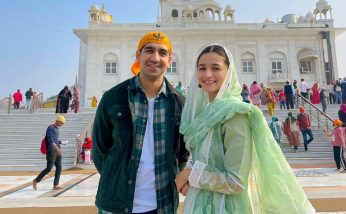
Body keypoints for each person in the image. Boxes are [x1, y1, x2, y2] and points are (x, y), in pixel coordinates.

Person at [175, 44, 314, 214]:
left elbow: (236, 181)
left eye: (216, 68)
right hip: (199, 203)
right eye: (202, 68)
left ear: (229, 73)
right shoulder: (204, 113)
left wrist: (190, 174)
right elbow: (204, 157)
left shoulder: (234, 115)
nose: (207, 75)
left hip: (224, 207)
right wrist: (191, 180)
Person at [92, 31, 189, 214]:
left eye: (162, 53)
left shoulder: (179, 104)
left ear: (170, 60)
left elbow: (182, 154)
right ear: (138, 55)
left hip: (162, 204)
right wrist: (116, 179)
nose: (155, 57)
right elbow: (99, 150)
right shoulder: (113, 97)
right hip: (116, 205)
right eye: (149, 50)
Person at [33, 115, 66, 190]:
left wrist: (61, 142)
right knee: (49, 168)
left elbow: (56, 140)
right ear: (57, 121)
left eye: (62, 123)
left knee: (59, 167)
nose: (62, 125)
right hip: (52, 151)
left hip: (57, 149)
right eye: (61, 123)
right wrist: (57, 149)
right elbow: (50, 140)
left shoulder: (57, 129)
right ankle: (36, 180)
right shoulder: (50, 128)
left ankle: (56, 185)